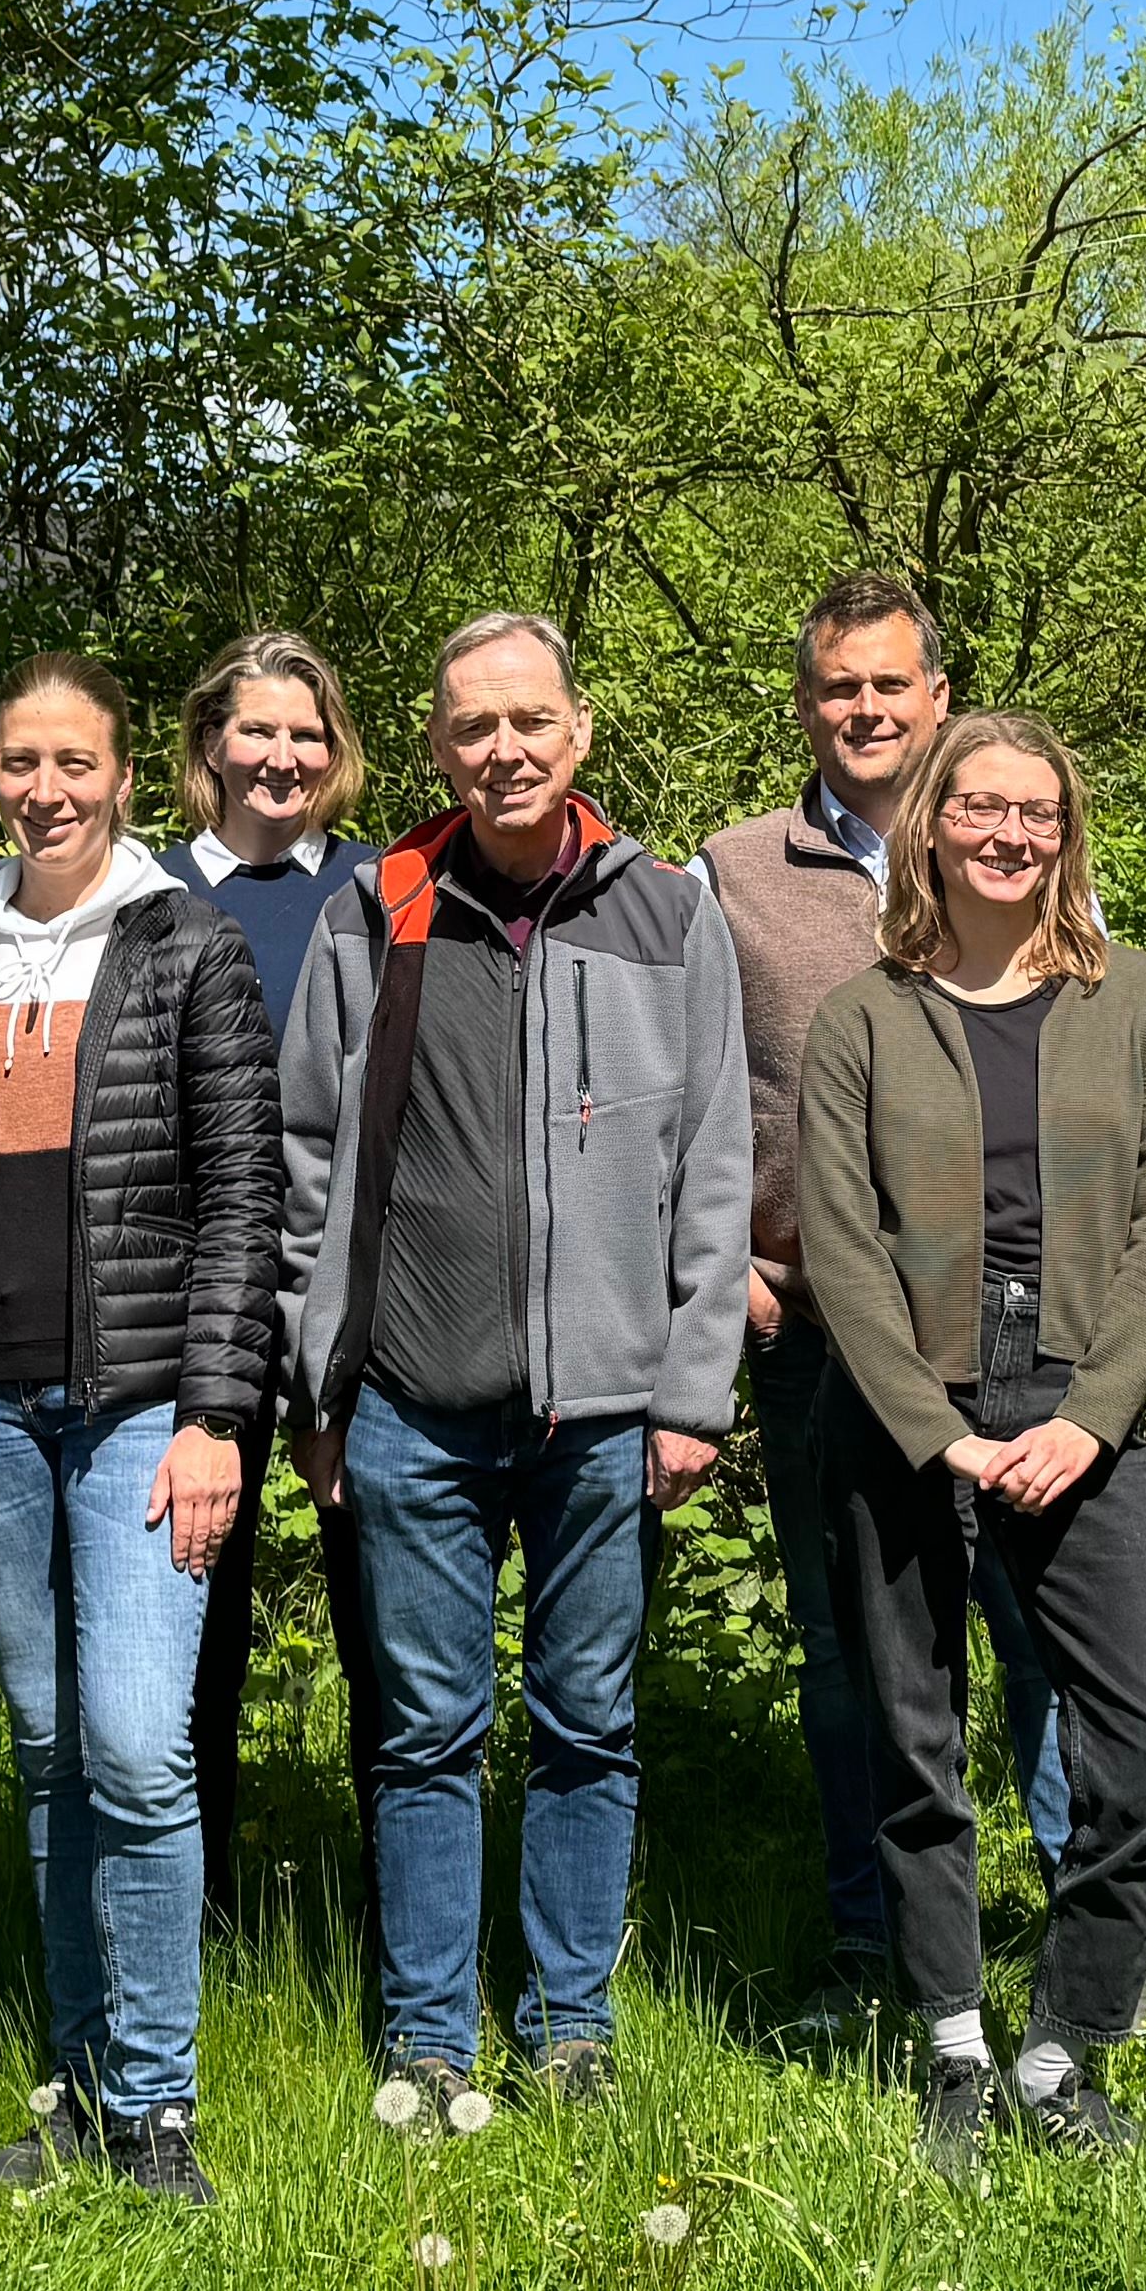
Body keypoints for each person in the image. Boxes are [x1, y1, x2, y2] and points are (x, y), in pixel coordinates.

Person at [276, 610, 753, 2122]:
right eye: (474, 727)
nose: (505, 751)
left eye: (529, 721)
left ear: (580, 730)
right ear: (435, 747)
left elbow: (714, 1169)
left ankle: (570, 2027)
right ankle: (428, 2038)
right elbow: (305, 1166)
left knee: (585, 1725)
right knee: (421, 1736)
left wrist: (691, 1392)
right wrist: (320, 1382)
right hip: (411, 1402)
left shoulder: (670, 917)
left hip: (605, 1413)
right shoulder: (378, 912)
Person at [0, 658, 282, 2209]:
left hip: (143, 1407)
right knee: (45, 1746)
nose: (47, 788)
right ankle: (81, 2090)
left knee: (133, 1746)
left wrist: (222, 1411)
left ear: (125, 776)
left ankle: (158, 2103)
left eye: (74, 760)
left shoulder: (187, 948)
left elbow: (245, 1199)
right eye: (21, 760)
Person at [796, 718, 1146, 2174]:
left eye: (1037, 813)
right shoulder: (862, 1017)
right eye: (982, 807)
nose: (1010, 835)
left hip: (1079, 1417)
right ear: (933, 823)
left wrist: (1092, 1420)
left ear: (1066, 833)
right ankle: (955, 2051)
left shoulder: (1141, 1002)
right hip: (905, 1425)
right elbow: (838, 1243)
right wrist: (932, 1432)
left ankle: (1062, 2054)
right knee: (918, 1745)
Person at [689, 569, 1060, 2022]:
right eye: (838, 686)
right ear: (806, 702)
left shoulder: (1010, 843)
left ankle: (1094, 1925)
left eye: (889, 685)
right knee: (852, 1646)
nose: (863, 709)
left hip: (1010, 1327)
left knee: (1035, 1629)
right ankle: (875, 1940)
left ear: (937, 699)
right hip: (819, 1336)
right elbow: (692, 1100)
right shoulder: (731, 872)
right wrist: (730, 1278)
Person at [167, 629, 392, 1942]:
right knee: (190, 1623)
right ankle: (182, 1923)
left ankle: (390, 1922)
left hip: (351, 1306)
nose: (282, 756)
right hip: (186, 1318)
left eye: (307, 734)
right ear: (208, 744)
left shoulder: (379, 892)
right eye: (256, 731)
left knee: (382, 1627)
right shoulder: (140, 895)